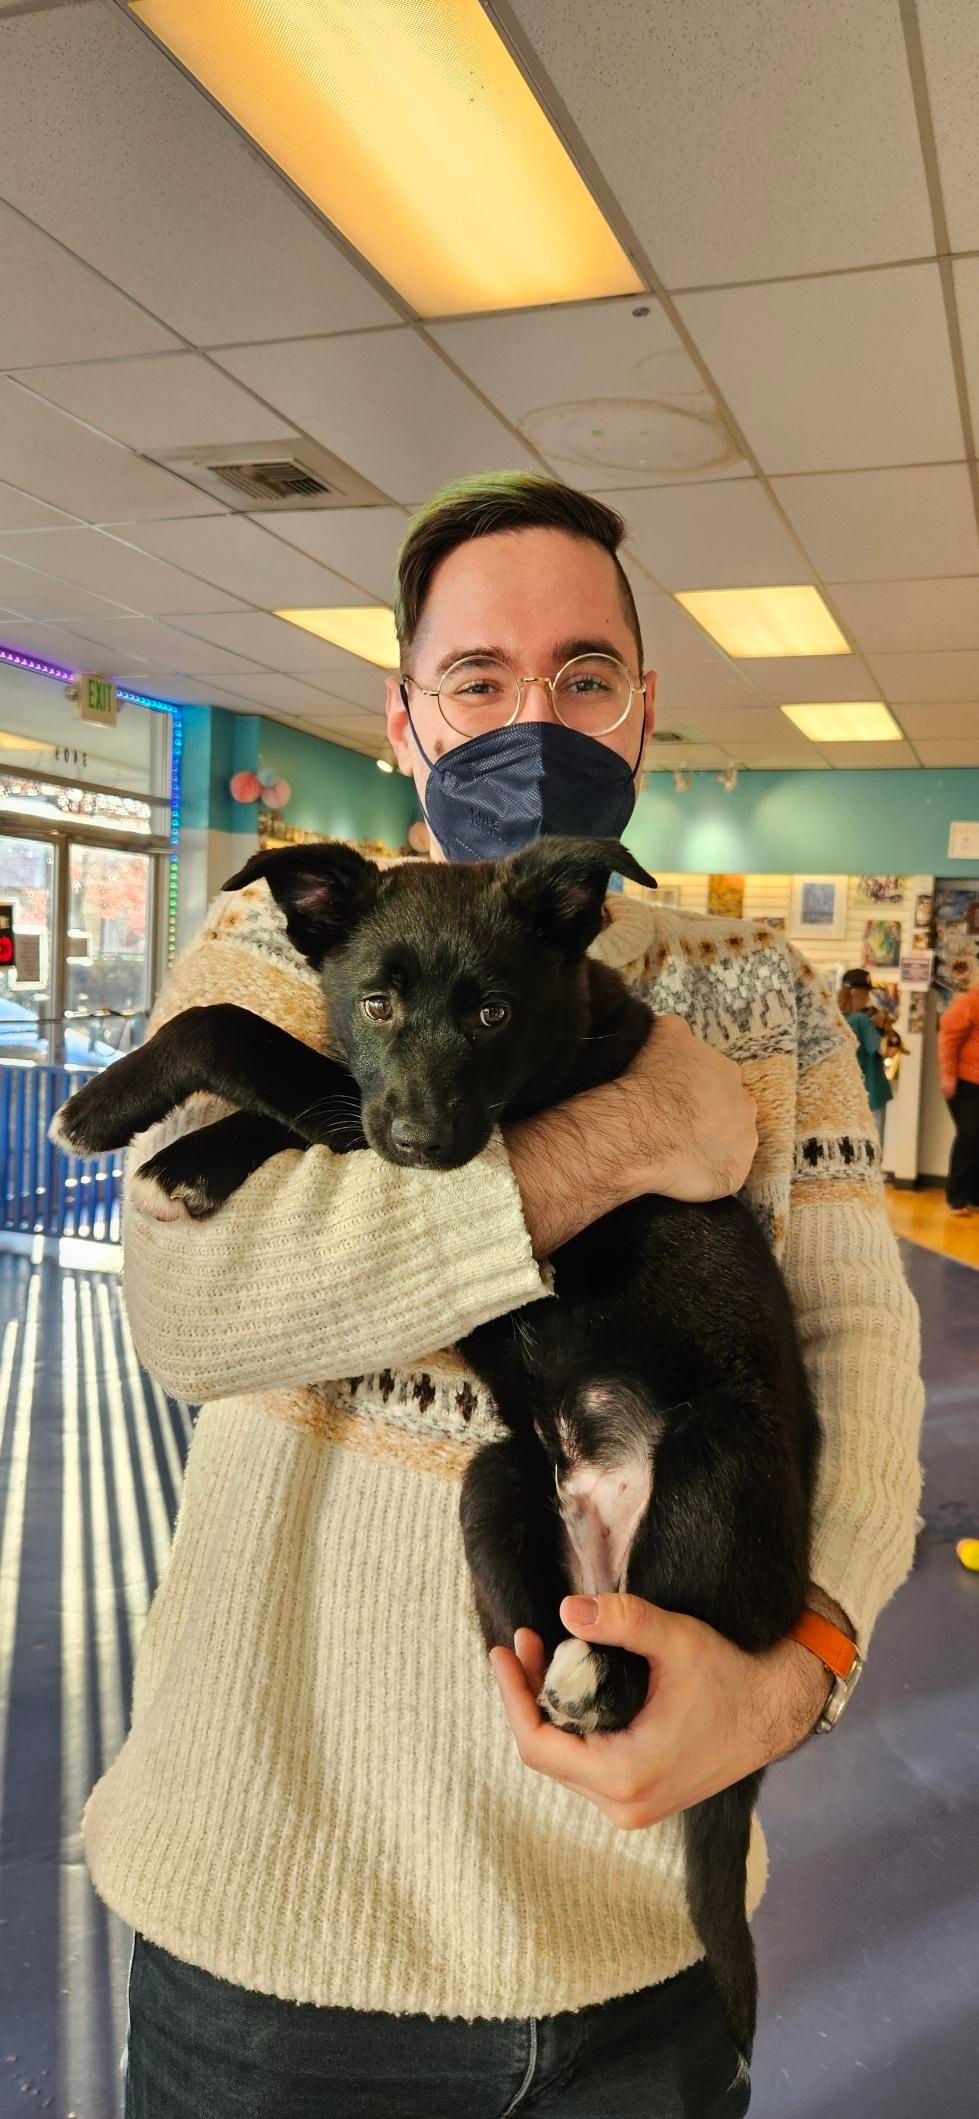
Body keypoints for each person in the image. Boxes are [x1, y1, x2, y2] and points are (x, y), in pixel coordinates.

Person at [85, 475, 924, 2118]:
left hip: (634, 1959)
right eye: (476, 679)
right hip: (277, 1957)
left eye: (580, 675)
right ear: (402, 718)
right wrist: (625, 1137)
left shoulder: (764, 993)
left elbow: (850, 1360)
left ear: (642, 705)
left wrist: (799, 1661)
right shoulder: (288, 955)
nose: (527, 718)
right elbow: (197, 1309)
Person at [938, 954, 979, 1216]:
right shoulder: (970, 1002)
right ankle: (957, 1197)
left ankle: (975, 1196)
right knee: (970, 1136)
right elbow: (948, 1037)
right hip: (966, 1082)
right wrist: (949, 1076)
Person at [838, 967, 896, 1149]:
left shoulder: (836, 1019)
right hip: (871, 1093)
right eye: (866, 993)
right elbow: (887, 1051)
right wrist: (886, 1028)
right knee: (872, 1151)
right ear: (856, 992)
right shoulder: (862, 1021)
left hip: (844, 1095)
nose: (868, 998)